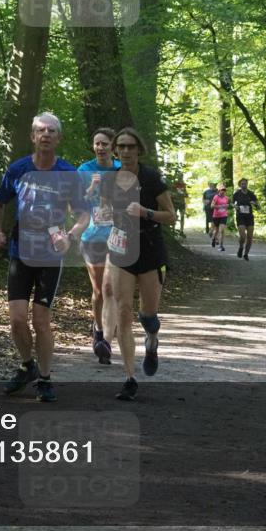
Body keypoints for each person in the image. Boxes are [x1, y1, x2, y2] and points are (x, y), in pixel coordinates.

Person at [0, 112, 89, 402]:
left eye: (51, 131)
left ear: (59, 138)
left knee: (41, 320)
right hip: (20, 251)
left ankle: (45, 379)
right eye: (41, 130)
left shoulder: (68, 173)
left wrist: (70, 236)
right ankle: (27, 366)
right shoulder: (18, 168)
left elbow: (84, 214)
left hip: (50, 255)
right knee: (17, 320)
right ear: (33, 136)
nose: (46, 135)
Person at [99, 127, 176, 401]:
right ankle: (129, 377)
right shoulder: (109, 180)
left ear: (139, 150)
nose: (126, 151)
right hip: (121, 249)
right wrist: (102, 215)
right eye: (121, 146)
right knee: (123, 310)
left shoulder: (151, 177)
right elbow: (103, 211)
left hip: (150, 249)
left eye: (131, 146)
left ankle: (152, 339)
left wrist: (146, 212)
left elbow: (171, 216)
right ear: (115, 150)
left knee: (148, 316)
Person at [77, 127, 120, 365]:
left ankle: (106, 341)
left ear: (113, 146)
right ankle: (98, 329)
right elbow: (74, 203)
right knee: (99, 291)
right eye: (97, 144)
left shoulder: (121, 169)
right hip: (92, 236)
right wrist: (91, 189)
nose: (100, 147)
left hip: (117, 237)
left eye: (104, 143)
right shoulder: (84, 170)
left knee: (110, 289)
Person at [232, 178, 259, 261]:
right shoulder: (237, 193)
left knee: (250, 237)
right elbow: (231, 203)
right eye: (242, 184)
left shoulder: (251, 194)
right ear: (240, 185)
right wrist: (235, 206)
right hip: (240, 216)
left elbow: (258, 206)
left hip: (249, 217)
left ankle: (246, 254)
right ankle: (241, 247)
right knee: (243, 236)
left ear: (247, 184)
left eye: (245, 183)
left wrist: (254, 203)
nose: (244, 185)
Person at [210, 183, 230, 251]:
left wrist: (227, 206)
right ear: (219, 190)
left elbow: (228, 205)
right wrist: (220, 206)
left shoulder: (226, 198)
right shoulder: (216, 197)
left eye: (224, 190)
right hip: (216, 216)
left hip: (224, 216)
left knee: (222, 230)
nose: (223, 191)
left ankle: (221, 245)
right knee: (216, 230)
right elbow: (212, 206)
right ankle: (213, 239)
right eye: (222, 190)